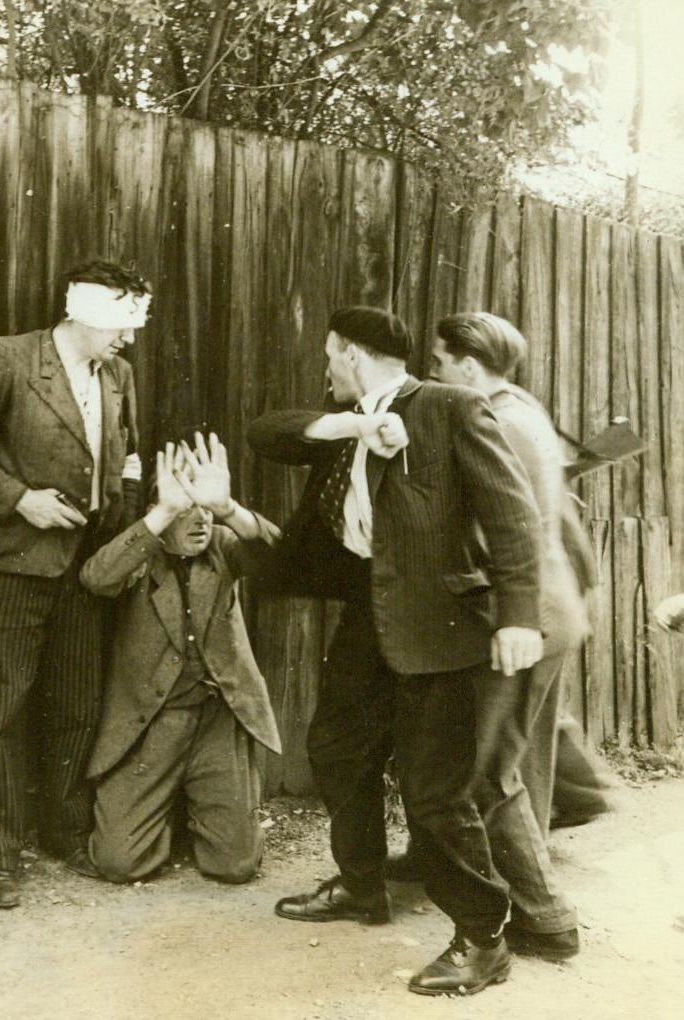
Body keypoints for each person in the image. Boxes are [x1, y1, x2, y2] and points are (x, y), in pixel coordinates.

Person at [249, 306, 543, 996]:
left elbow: (512, 514)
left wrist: (518, 617)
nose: (327, 369)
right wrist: (356, 427)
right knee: (336, 747)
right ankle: (362, 886)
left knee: (434, 791)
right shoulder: (349, 421)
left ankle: (483, 939)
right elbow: (268, 432)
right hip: (371, 619)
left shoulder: (450, 407)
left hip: (440, 625)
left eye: (330, 356)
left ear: (351, 353)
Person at [0, 260, 149, 907]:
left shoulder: (118, 375)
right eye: (120, 323)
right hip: (10, 564)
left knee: (77, 704)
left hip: (85, 567)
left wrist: (124, 526)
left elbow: (129, 456)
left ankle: (65, 830)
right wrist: (21, 499)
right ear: (84, 312)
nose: (128, 338)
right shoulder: (7, 359)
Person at [422, 311, 583, 959]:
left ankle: (545, 919)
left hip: (522, 615)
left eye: (439, 361)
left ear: (467, 365)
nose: (434, 371)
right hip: (553, 606)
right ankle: (522, 895)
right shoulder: (525, 409)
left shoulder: (496, 421)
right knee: (519, 761)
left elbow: (498, 525)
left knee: (486, 771)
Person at [81, 434, 282, 884]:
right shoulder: (142, 549)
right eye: (187, 507)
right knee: (118, 861)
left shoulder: (223, 544)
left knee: (236, 865)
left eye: (206, 508)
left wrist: (228, 507)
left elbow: (282, 557)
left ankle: (201, 810)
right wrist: (162, 515)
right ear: (162, 508)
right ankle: (173, 813)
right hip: (154, 723)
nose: (201, 520)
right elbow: (97, 577)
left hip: (216, 720)